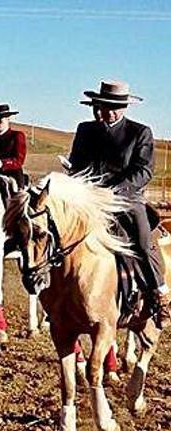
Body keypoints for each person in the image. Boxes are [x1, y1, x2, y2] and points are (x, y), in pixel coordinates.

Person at [68, 80, 170, 328]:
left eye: (115, 107)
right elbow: (77, 164)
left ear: (124, 107)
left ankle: (160, 295)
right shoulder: (85, 130)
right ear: (99, 105)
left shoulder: (140, 132)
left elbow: (143, 171)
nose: (109, 111)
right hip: (89, 200)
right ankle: (59, 297)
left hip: (126, 200)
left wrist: (114, 190)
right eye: (105, 106)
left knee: (144, 242)